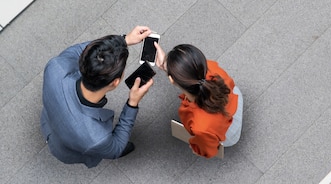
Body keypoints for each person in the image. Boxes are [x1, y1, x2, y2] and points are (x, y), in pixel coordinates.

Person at [40, 26, 155, 168]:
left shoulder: (56, 67)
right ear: (115, 82)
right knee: (114, 145)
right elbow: (116, 148)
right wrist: (132, 103)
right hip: (67, 148)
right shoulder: (96, 138)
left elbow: (80, 52)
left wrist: (123, 40)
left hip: (49, 120)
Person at [155, 43, 242, 158]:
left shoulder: (200, 126)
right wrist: (168, 65)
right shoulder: (210, 67)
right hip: (234, 99)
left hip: (229, 132)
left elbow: (208, 150)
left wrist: (197, 148)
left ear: (171, 80)